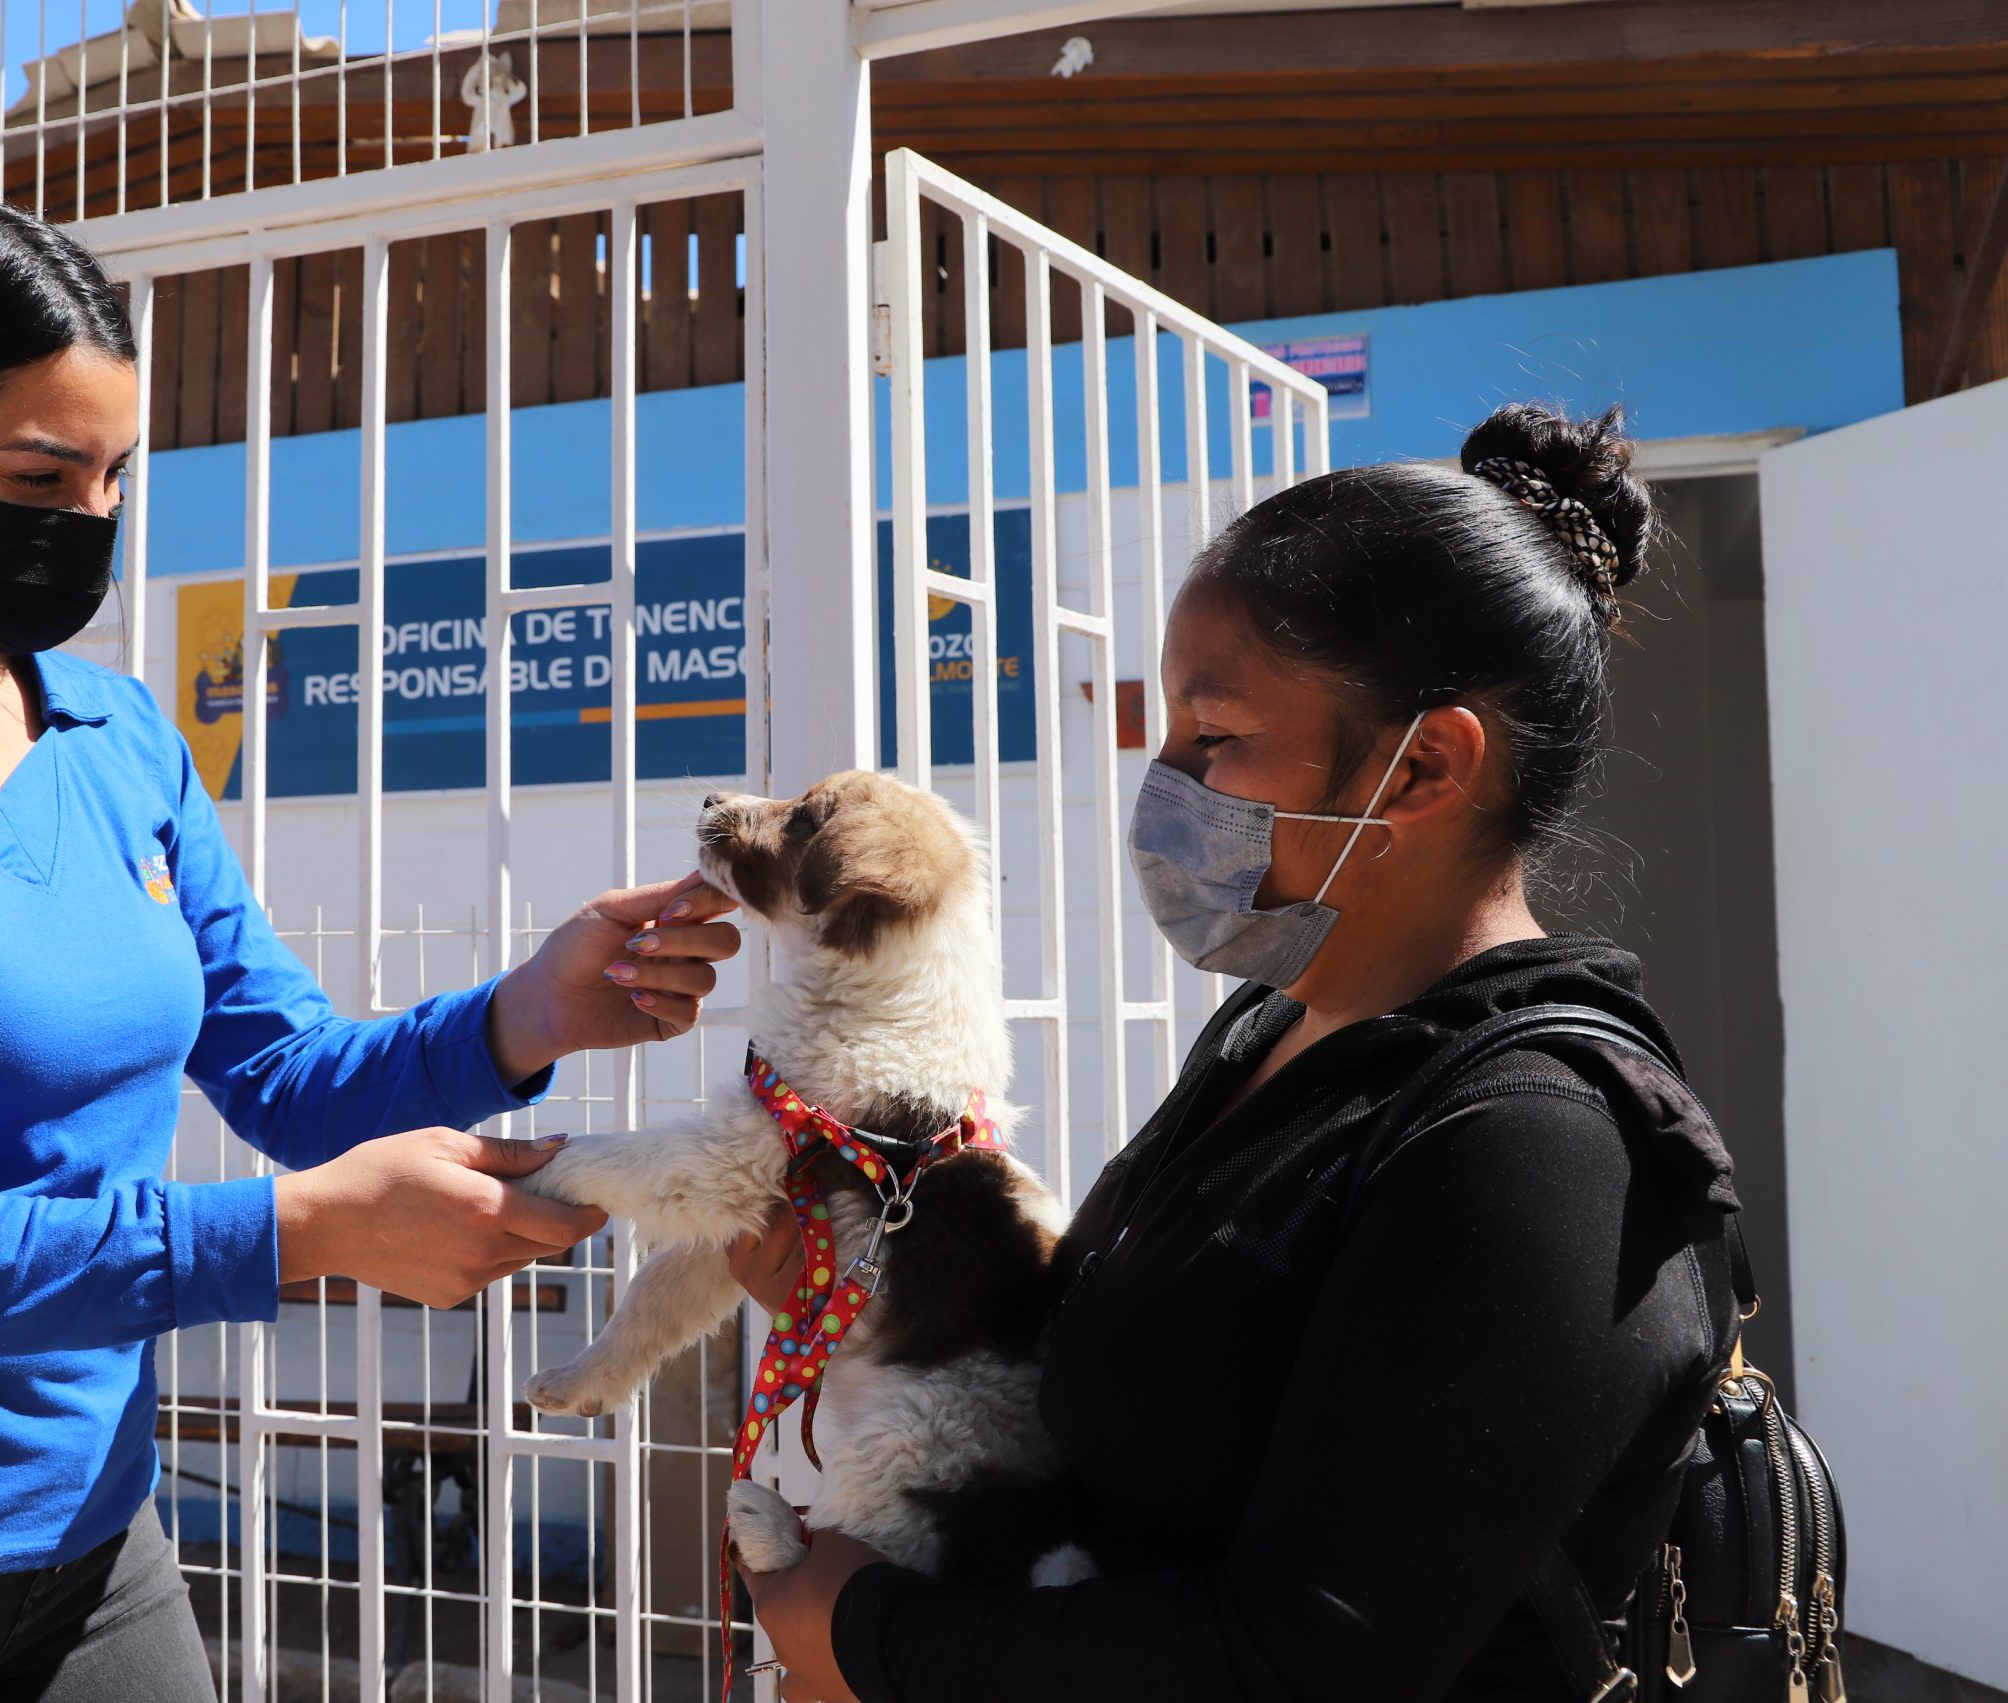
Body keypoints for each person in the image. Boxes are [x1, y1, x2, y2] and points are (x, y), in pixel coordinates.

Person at [0, 186, 741, 1701]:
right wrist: (298, 1237)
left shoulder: (112, 734)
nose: (86, 524)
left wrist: (523, 1018)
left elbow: (280, 1070)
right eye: (40, 474)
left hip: (100, 1556)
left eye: (115, 479)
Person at [738, 403, 1745, 1701]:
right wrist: (879, 1303)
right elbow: (1156, 1379)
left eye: (1215, 740)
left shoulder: (1542, 1147)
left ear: (1428, 764)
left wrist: (870, 1640)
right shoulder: (1274, 1030)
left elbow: (1305, 1657)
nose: (1167, 788)